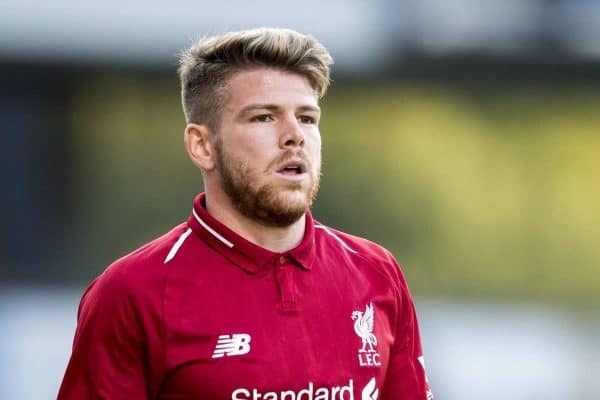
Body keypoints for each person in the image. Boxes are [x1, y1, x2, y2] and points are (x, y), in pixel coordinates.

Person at [57, 27, 434, 400]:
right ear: (202, 145)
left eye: (306, 118)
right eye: (264, 118)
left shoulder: (376, 274)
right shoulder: (132, 293)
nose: (294, 136)